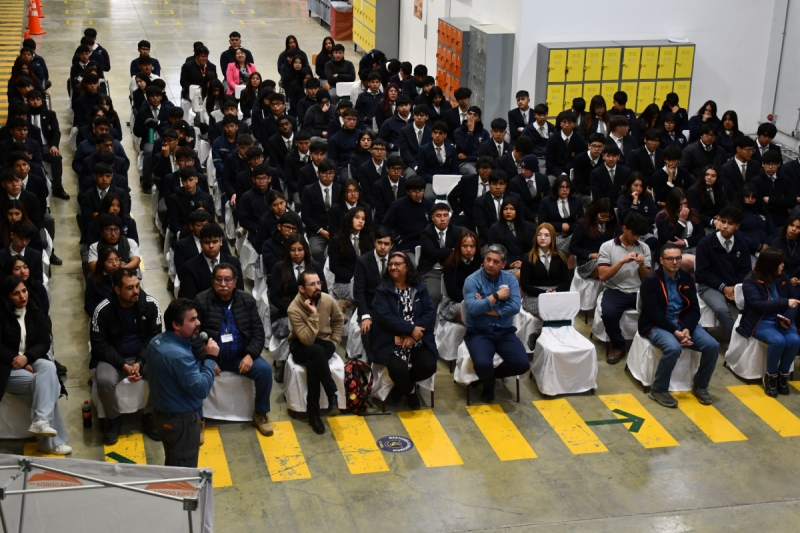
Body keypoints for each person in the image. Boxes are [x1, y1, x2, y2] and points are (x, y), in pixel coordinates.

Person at [193, 263, 273, 436]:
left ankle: (260, 413)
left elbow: (258, 332)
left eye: (228, 279)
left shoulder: (246, 300)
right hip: (213, 357)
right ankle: (197, 418)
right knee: (191, 373)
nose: (223, 283)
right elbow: (193, 336)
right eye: (219, 279)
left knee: (265, 371)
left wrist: (250, 355)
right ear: (213, 281)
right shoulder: (200, 300)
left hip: (240, 355)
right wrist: (208, 360)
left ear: (235, 282)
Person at [639, 244, 719, 408]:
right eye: (670, 258)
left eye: (678, 258)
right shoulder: (650, 281)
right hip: (657, 325)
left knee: (712, 346)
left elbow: (694, 309)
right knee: (673, 348)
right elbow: (654, 313)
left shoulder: (687, 278)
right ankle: (658, 389)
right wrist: (676, 332)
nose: (675, 262)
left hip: (683, 324)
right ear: (661, 260)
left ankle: (700, 385)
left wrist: (687, 328)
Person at [89, 269, 162, 444]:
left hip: (142, 356)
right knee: (105, 382)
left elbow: (154, 337)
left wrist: (140, 362)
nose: (136, 291)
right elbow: (100, 345)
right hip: (112, 359)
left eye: (137, 286)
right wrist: (123, 365)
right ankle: (114, 418)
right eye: (130, 288)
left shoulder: (150, 304)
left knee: (163, 372)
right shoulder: (102, 309)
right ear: (117, 290)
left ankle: (150, 415)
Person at [0, 275, 70, 455]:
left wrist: (27, 358)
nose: (22, 296)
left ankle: (40, 421)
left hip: (30, 360)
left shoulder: (34, 308)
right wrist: (18, 360)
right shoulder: (2, 314)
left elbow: (44, 341)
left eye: (24, 291)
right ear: (8, 296)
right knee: (45, 385)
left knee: (49, 368)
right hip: (6, 368)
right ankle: (50, 442)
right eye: (16, 293)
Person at [147, 299, 219, 467]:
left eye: (197, 318)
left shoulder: (156, 342)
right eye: (192, 319)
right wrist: (210, 358)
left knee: (174, 461)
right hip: (182, 422)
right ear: (176, 324)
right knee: (184, 470)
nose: (198, 323)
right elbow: (201, 389)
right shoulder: (179, 356)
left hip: (162, 415)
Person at [368, 251, 438, 409]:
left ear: (407, 267)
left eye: (398, 264)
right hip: (390, 340)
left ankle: (400, 388)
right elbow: (386, 317)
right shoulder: (382, 291)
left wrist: (413, 336)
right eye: (391, 264)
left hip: (417, 339)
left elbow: (429, 311)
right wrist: (411, 329)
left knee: (429, 365)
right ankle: (410, 391)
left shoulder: (419, 288)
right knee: (398, 368)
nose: (393, 267)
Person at [462, 244, 530, 402]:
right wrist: (496, 297)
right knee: (482, 364)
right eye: (488, 260)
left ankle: (488, 378)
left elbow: (515, 306)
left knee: (522, 364)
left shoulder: (510, 279)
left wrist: (486, 307)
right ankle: (488, 386)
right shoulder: (472, 280)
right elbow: (472, 308)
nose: (490, 264)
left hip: (504, 331)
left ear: (503, 264)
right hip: (479, 332)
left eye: (495, 261)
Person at [737, 248, 800, 397]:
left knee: (794, 340)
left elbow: (794, 302)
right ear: (770, 265)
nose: (783, 265)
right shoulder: (750, 281)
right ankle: (770, 376)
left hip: (782, 319)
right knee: (778, 341)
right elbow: (758, 304)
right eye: (780, 263)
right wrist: (785, 302)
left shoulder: (783, 278)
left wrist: (787, 318)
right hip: (760, 320)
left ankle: (783, 375)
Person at [287, 270, 343, 434]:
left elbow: (338, 320)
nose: (318, 287)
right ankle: (331, 393)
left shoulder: (327, 299)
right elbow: (307, 340)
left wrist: (334, 341)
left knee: (314, 363)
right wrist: (313, 315)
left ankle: (313, 414)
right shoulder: (294, 309)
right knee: (315, 352)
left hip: (325, 342)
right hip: (301, 343)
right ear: (301, 289)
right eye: (312, 284)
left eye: (319, 283)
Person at [598, 213, 652, 364]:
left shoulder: (644, 248)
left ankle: (647, 341)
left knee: (657, 309)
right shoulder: (607, 246)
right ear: (624, 228)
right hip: (615, 290)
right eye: (633, 234)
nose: (636, 238)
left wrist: (642, 265)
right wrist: (622, 262)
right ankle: (618, 345)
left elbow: (647, 279)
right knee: (608, 314)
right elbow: (603, 275)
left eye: (638, 235)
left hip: (638, 290)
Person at [695, 207, 752, 339]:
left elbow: (746, 270)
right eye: (723, 221)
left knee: (752, 305)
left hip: (734, 286)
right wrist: (723, 287)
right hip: (709, 286)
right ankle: (736, 341)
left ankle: (753, 336)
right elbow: (701, 273)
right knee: (721, 309)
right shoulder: (705, 243)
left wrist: (734, 287)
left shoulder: (742, 244)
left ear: (737, 226)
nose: (725, 226)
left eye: (730, 223)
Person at [519, 222, 571, 316]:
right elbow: (525, 286)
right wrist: (544, 293)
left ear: (553, 238)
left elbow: (566, 282)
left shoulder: (560, 258)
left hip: (556, 293)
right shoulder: (528, 258)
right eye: (539, 235)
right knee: (547, 312)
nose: (542, 238)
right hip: (535, 295)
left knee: (564, 311)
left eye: (547, 235)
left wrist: (555, 292)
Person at [178, 223, 243, 298]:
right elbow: (189, 298)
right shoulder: (189, 267)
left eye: (215, 242)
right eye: (207, 242)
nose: (211, 246)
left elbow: (239, 292)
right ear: (201, 243)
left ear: (221, 242)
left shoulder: (233, 262)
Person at [25, 90, 69, 199]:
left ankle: (57, 187)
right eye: (32, 100)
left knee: (57, 158)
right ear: (27, 101)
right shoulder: (25, 116)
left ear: (42, 101)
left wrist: (54, 145)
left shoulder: (50, 114)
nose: (35, 102)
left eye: (38, 99)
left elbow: (56, 132)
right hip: (29, 147)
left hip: (46, 146)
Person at [328, 207, 373, 307]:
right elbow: (334, 267)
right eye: (357, 217)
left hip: (364, 280)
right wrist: (353, 276)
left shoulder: (369, 238)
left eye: (363, 219)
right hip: (345, 282)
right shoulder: (337, 240)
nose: (360, 221)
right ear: (350, 219)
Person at [354, 227, 394, 337]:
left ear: (392, 245)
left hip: (393, 307)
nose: (382, 247)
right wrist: (365, 316)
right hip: (370, 307)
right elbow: (359, 291)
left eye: (386, 244)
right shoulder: (363, 261)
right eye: (379, 242)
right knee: (368, 331)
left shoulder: (398, 260)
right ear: (374, 242)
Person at [301, 159, 340, 264]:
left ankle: (334, 270)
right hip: (316, 231)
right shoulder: (309, 190)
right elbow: (305, 216)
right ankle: (322, 270)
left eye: (330, 173)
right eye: (324, 173)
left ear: (334, 174)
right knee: (316, 251)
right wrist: (320, 230)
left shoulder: (340, 189)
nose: (328, 176)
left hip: (337, 230)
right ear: (318, 173)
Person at [383, 175, 433, 255]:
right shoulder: (397, 205)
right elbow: (386, 226)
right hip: (405, 245)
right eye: (414, 191)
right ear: (408, 191)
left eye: (420, 190)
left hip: (425, 244)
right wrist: (398, 239)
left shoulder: (429, 204)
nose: (418, 194)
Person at [655, 188, 702, 273]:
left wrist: (685, 242)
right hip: (672, 253)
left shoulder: (694, 213)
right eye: (680, 204)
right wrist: (681, 221)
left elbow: (701, 235)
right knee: (695, 262)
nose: (683, 207)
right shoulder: (662, 216)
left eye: (685, 203)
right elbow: (668, 239)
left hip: (692, 248)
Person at [538, 175, 583, 260]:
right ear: (556, 187)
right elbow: (542, 223)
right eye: (562, 187)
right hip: (553, 235)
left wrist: (569, 227)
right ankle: (558, 257)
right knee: (570, 251)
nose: (565, 190)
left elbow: (582, 222)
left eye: (567, 187)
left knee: (575, 240)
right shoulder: (546, 201)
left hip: (571, 235)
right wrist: (560, 226)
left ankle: (558, 257)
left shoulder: (576, 201)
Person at [447, 156, 495, 231]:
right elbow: (451, 196)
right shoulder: (467, 180)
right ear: (477, 169)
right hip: (467, 217)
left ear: (492, 170)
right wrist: (460, 212)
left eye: (488, 168)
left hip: (487, 219)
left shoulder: (496, 183)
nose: (485, 170)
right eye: (482, 168)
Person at [751, 149, 795, 229]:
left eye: (774, 164)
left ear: (779, 164)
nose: (770, 167)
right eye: (768, 164)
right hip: (763, 218)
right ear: (763, 164)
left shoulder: (786, 180)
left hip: (782, 219)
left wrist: (770, 200)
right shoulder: (755, 181)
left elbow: (791, 202)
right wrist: (781, 200)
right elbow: (759, 203)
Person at [488, 196, 533, 274]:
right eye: (505, 209)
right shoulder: (495, 228)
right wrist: (509, 264)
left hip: (525, 264)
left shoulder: (526, 226)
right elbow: (493, 251)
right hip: (504, 267)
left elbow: (531, 248)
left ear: (517, 211)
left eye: (512, 209)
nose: (508, 212)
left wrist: (523, 262)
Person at [508, 154, 549, 225]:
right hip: (525, 217)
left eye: (526, 169)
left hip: (543, 214)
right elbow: (520, 205)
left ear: (533, 169)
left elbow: (547, 199)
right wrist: (534, 218)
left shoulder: (543, 179)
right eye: (521, 168)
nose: (523, 172)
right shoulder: (515, 183)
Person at [718, 136, 760, 202]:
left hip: (753, 202)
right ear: (738, 149)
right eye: (748, 150)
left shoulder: (755, 165)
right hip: (735, 203)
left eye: (752, 150)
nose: (751, 153)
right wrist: (744, 200)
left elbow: (757, 186)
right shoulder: (726, 168)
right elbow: (730, 191)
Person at [546, 112, 586, 178]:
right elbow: (549, 163)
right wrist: (561, 173)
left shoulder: (580, 139)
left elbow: (582, 160)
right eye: (564, 122)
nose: (567, 125)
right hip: (556, 173)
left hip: (575, 172)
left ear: (574, 124)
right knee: (550, 180)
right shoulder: (552, 140)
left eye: (569, 122)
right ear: (560, 124)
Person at [688, 165, 727, 234]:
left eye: (713, 176)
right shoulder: (693, 191)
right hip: (703, 224)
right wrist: (713, 221)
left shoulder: (719, 189)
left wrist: (721, 214)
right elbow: (697, 213)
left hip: (719, 221)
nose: (709, 177)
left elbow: (723, 205)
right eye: (707, 175)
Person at [570, 132, 605, 209]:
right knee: (594, 202)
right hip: (583, 193)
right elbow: (578, 184)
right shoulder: (579, 159)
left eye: (599, 146)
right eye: (594, 146)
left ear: (603, 147)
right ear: (589, 146)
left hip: (600, 192)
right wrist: (594, 191)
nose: (596, 149)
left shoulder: (604, 160)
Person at [85, 247, 120, 316]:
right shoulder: (93, 280)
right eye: (110, 261)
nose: (115, 264)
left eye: (117, 260)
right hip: (105, 317)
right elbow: (90, 307)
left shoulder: (126, 276)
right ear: (101, 263)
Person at [373, 155, 406, 227]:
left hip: (402, 221)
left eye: (399, 169)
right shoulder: (378, 185)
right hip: (384, 221)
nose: (396, 172)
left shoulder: (406, 183)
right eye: (393, 169)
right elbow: (380, 210)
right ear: (387, 169)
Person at [771, 213, 800, 287]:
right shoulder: (776, 243)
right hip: (781, 281)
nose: (794, 229)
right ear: (787, 225)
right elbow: (773, 267)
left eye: (798, 227)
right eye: (792, 225)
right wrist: (788, 279)